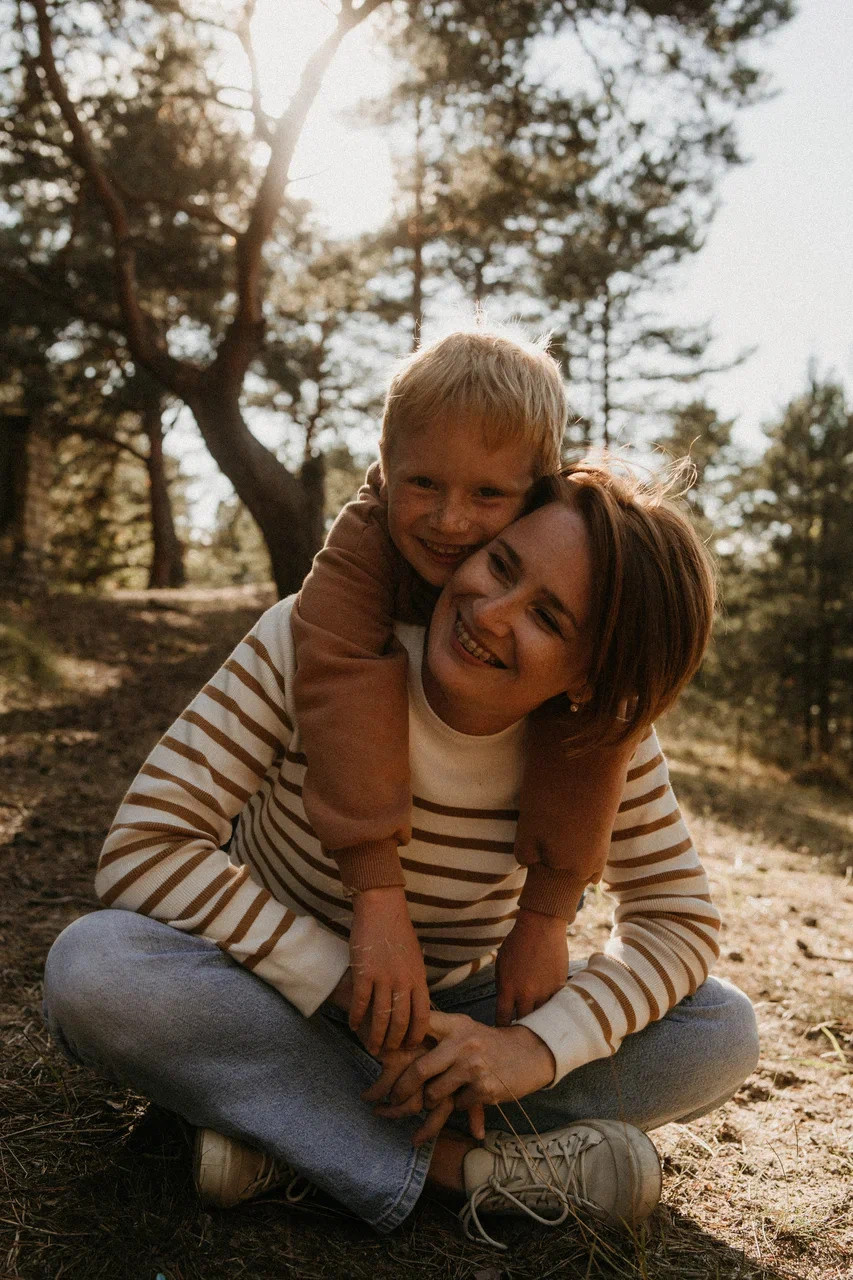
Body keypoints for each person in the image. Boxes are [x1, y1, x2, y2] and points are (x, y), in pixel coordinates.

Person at [42, 461, 759, 1250]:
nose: (490, 612)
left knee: (720, 1028)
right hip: (264, 999)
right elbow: (146, 845)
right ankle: (464, 1173)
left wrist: (527, 1051)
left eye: (547, 619)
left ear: (591, 678)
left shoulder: (602, 744)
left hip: (451, 1029)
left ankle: (291, 1136)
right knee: (96, 967)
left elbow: (677, 921)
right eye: (502, 564)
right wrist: (343, 980)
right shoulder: (313, 642)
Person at [292, 323, 637, 1059]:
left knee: (715, 1029)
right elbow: (339, 676)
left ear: (537, 491)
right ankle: (434, 1162)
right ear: (385, 466)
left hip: (460, 988)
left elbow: (596, 741)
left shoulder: (571, 636)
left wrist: (546, 917)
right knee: (106, 969)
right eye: (421, 484)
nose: (449, 522)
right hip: (306, 960)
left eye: (487, 494)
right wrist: (376, 892)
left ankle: (302, 1126)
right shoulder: (357, 557)